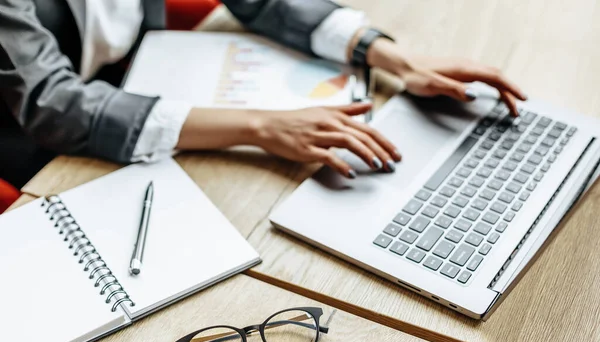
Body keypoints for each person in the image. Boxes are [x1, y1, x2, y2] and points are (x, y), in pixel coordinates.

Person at [0, 0, 526, 188]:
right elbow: (50, 103)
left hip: (152, 84)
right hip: (49, 151)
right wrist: (262, 126)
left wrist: (393, 57)